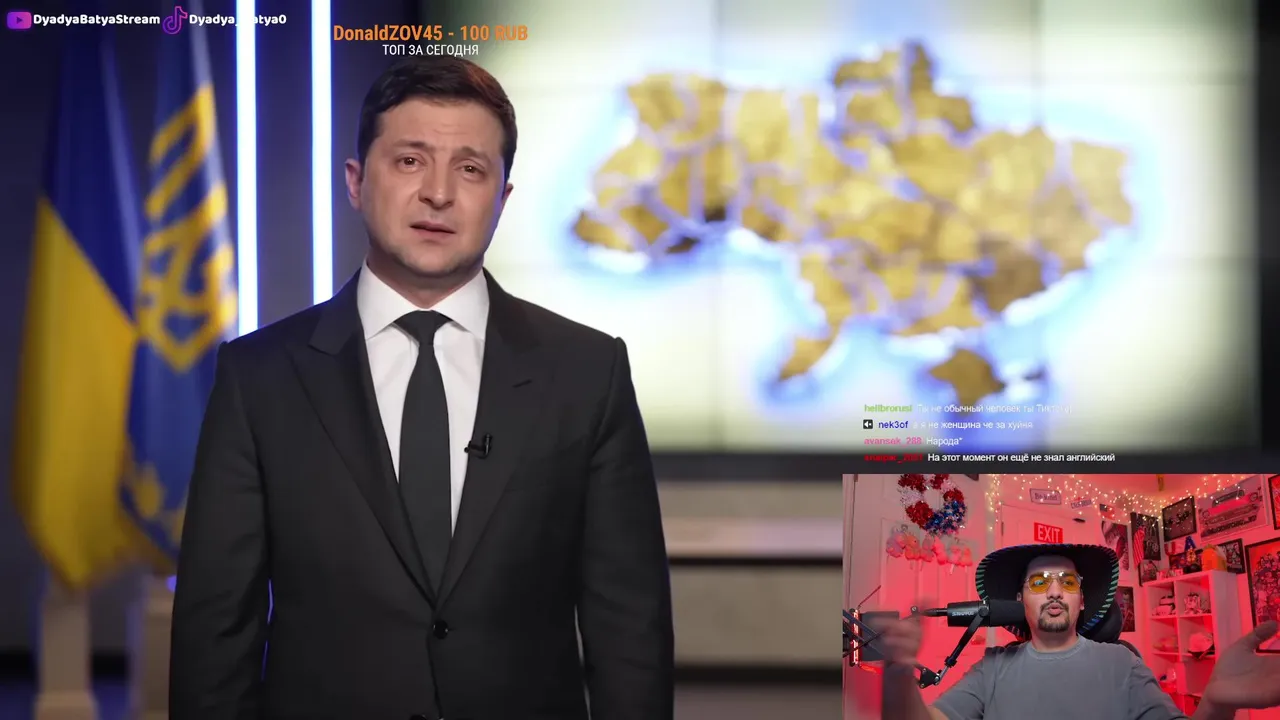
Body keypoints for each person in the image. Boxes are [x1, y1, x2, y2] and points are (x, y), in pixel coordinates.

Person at [169, 55, 675, 720]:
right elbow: (215, 633)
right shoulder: (260, 377)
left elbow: (630, 627)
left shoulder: (587, 372)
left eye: (470, 169)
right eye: (410, 161)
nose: (438, 193)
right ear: (356, 182)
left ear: (502, 199)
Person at [878, 543, 1280, 720]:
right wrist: (897, 672)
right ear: (1021, 599)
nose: (1054, 591)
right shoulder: (992, 667)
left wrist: (1216, 706)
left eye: (1067, 582)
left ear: (1082, 599)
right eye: (1039, 582)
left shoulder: (1122, 663)